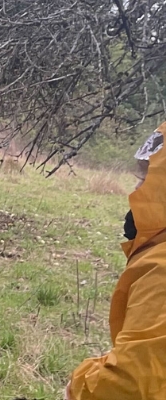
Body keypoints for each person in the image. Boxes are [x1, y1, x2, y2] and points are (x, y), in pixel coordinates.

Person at [65, 121, 166, 399]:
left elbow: (132, 382)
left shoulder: (161, 269)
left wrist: (79, 386)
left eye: (147, 178)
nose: (136, 189)